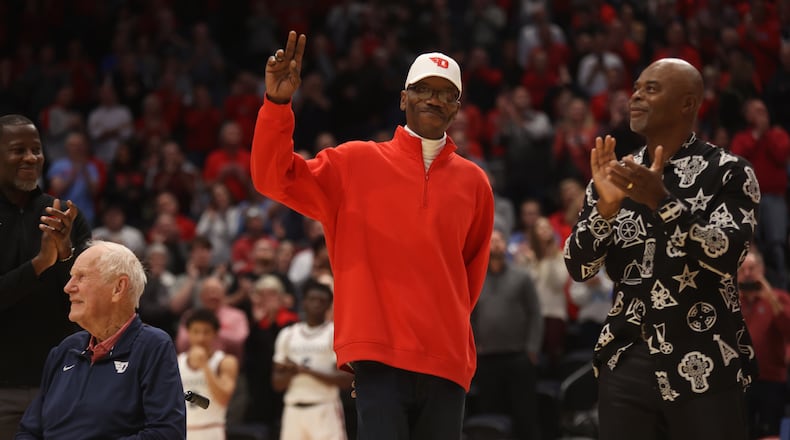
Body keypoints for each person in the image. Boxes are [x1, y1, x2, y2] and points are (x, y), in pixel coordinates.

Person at [252, 32, 494, 439]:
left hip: (447, 360)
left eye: (445, 94)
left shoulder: (475, 183)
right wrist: (278, 106)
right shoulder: (353, 163)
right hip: (378, 356)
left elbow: (470, 279)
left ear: (456, 108)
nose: (434, 99)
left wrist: (441, 324)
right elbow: (274, 178)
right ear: (403, 98)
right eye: (423, 90)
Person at [564, 57, 761, 440]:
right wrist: (603, 211)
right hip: (626, 358)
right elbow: (578, 267)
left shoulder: (729, 171)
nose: (635, 96)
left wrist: (663, 203)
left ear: (688, 103)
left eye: (650, 89)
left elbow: (727, 255)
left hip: (706, 358)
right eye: (636, 88)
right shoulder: (614, 175)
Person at [16, 240, 186, 438]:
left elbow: (167, 434)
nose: (68, 287)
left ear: (118, 288)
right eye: (72, 277)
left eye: (81, 277)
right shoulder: (65, 350)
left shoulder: (153, 346)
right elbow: (28, 431)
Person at [0, 114, 91, 438]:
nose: (30, 157)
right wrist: (40, 263)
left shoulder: (65, 215)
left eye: (36, 149)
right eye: (18, 149)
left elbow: (85, 301)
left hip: (61, 383)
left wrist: (65, 255)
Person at [471, 227, 543, 440]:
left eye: (500, 240)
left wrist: (532, 347)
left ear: (506, 245)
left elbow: (535, 313)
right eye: (491, 241)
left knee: (524, 415)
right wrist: (474, 345)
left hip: (518, 356)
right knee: (491, 415)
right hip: (488, 358)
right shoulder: (477, 278)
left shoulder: (521, 276)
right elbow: (469, 316)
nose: (496, 244)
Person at [272, 279, 353, 440]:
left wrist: (305, 371)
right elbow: (277, 383)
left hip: (324, 409)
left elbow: (346, 380)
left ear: (329, 306)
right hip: (293, 410)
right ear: (303, 302)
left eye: (322, 301)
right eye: (312, 299)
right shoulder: (287, 335)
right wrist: (292, 372)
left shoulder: (335, 333)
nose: (316, 304)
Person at [738, 249, 790, 439]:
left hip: (771, 380)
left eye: (752, 268)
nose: (747, 273)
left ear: (761, 269)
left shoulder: (778, 298)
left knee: (771, 434)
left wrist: (770, 297)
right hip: (740, 381)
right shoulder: (733, 301)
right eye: (742, 269)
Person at [179, 308, 240, 440]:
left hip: (211, 430)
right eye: (196, 332)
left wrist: (205, 366)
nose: (201, 338)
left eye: (206, 332)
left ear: (215, 334)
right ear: (188, 333)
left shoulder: (225, 362)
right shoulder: (177, 362)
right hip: (182, 431)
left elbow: (223, 398)